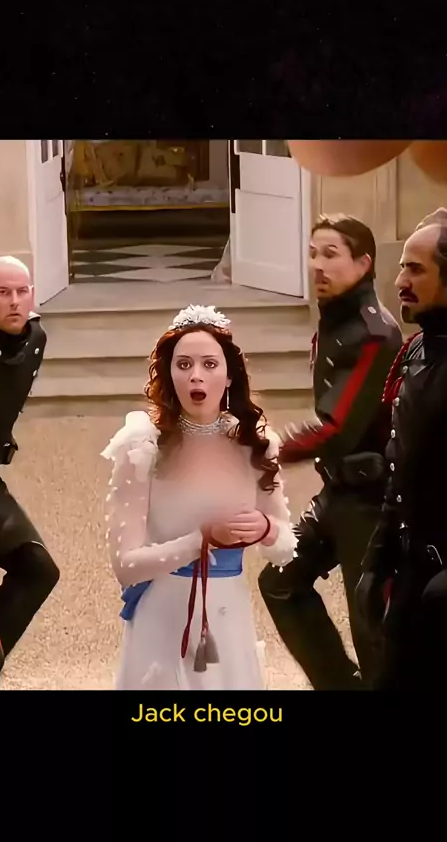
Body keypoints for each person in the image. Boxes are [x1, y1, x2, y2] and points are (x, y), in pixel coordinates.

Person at [101, 303, 297, 690]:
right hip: (163, 618)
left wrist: (266, 529)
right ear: (169, 374)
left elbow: (287, 546)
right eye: (184, 364)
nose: (196, 375)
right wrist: (201, 540)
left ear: (229, 375)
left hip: (229, 617)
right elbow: (125, 565)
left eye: (209, 364)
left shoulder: (256, 445)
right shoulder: (142, 447)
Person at [258, 214, 402, 690]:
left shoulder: (375, 333)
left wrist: (266, 448)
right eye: (313, 253)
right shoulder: (334, 319)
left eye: (331, 254)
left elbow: (338, 428)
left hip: (372, 501)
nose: (317, 265)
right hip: (337, 491)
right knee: (280, 582)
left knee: (371, 627)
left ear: (364, 263)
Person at [356, 210, 447, 690]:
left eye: (415, 269)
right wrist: (377, 561)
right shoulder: (414, 353)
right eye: (401, 267)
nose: (400, 281)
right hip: (414, 571)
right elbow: (401, 471)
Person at [0, 256, 59, 689]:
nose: (15, 301)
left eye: (23, 291)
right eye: (3, 293)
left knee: (37, 570)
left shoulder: (35, 337)